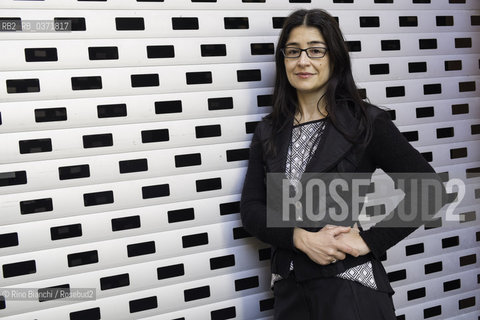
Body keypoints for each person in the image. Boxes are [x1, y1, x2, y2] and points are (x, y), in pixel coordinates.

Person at [240, 8, 447, 320]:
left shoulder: (365, 121)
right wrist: (300, 238)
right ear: (283, 60)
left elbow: (429, 191)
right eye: (293, 51)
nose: (303, 61)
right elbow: (251, 208)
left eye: (316, 51)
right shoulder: (269, 130)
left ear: (334, 58)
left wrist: (368, 241)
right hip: (290, 291)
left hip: (350, 289)